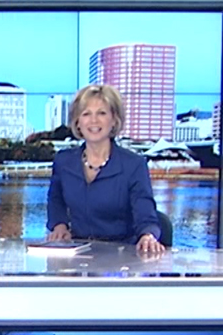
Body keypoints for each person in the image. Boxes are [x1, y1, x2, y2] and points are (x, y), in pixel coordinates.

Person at [46, 84, 164, 254]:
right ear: (78, 122)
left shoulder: (133, 165)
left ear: (114, 120)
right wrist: (59, 226)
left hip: (122, 255)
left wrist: (147, 235)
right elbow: (55, 200)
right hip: (77, 251)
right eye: (86, 114)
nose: (94, 120)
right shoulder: (64, 162)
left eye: (101, 113)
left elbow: (145, 213)